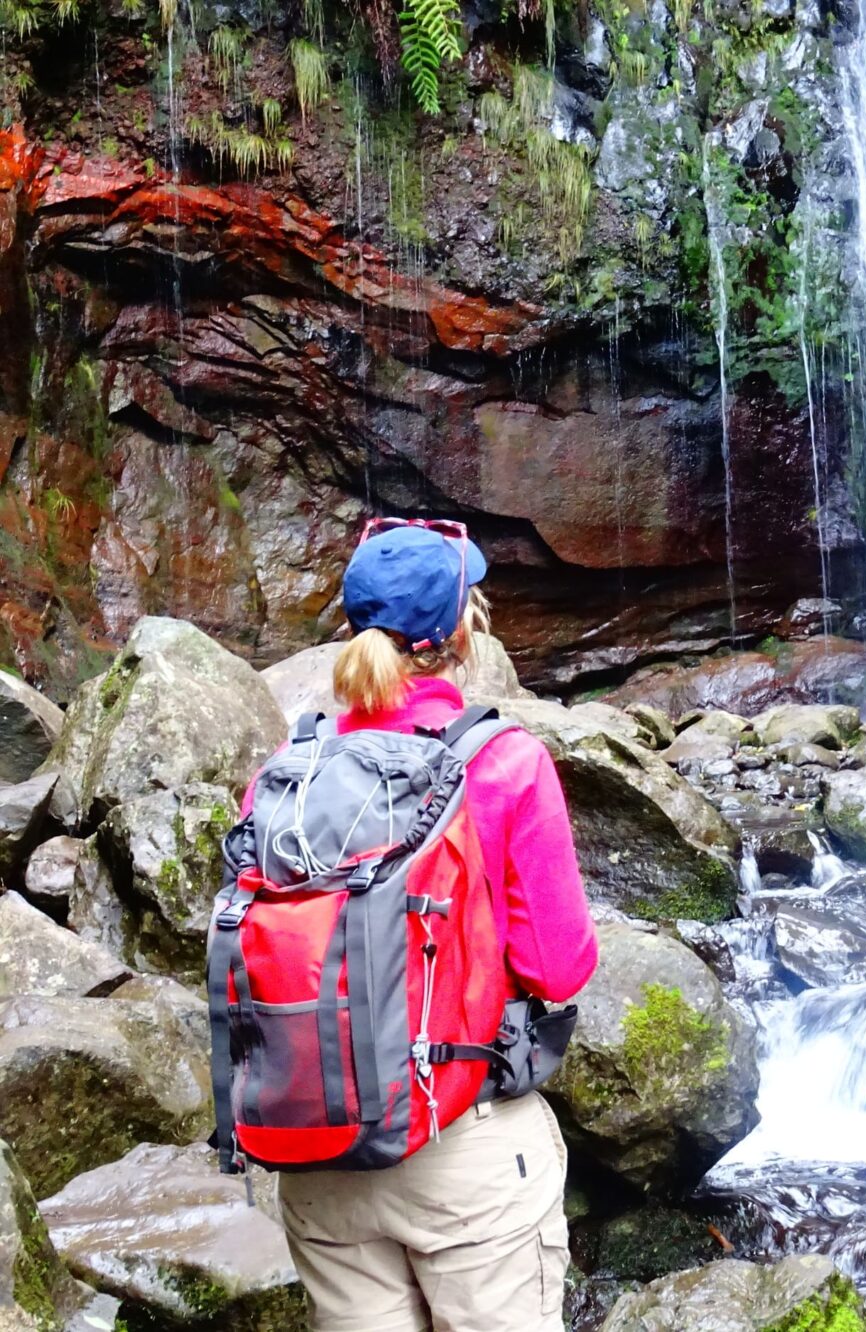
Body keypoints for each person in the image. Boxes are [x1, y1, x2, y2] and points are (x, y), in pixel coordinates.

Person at [264, 518, 597, 1332]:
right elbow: (558, 968)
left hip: (319, 1150)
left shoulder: (287, 771)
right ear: (460, 632)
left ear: (352, 632)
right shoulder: (503, 761)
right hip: (462, 1143)